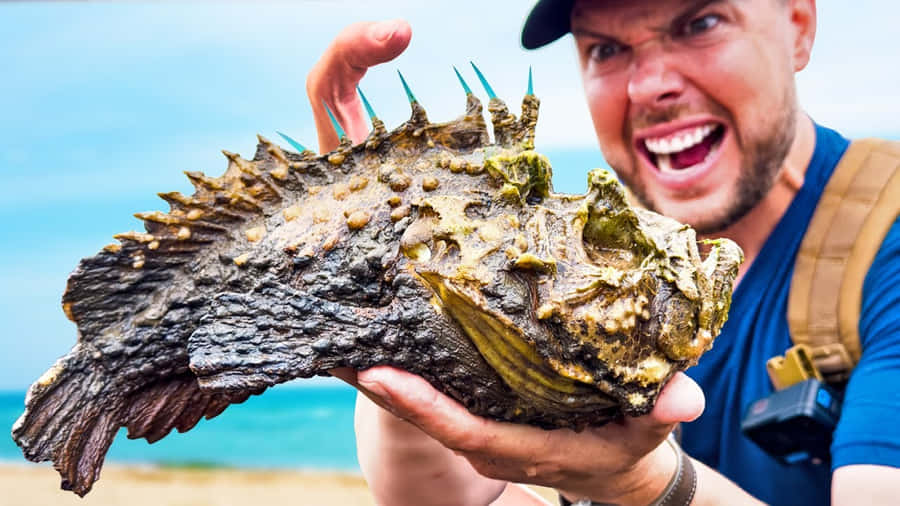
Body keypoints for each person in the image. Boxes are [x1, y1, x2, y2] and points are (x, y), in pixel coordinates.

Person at [306, 1, 900, 504]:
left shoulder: (885, 240)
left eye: (700, 23)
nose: (647, 86)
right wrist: (405, 300)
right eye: (605, 50)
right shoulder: (561, 266)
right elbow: (445, 493)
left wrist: (648, 485)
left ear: (798, 23)